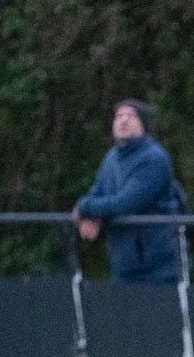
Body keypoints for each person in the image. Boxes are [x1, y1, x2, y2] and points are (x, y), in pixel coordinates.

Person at [73, 99, 183, 284]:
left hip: (158, 267)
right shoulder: (111, 158)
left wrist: (84, 207)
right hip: (123, 264)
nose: (123, 121)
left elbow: (126, 202)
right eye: (119, 116)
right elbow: (97, 191)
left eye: (131, 116)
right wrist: (91, 216)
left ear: (143, 125)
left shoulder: (154, 159)